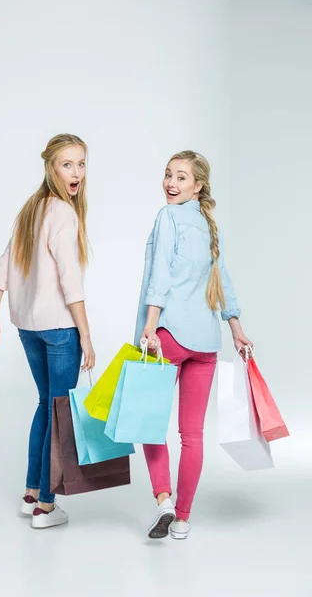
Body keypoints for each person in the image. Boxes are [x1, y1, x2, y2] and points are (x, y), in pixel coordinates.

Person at [0, 134, 95, 530]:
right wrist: (87, 334)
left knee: (47, 405)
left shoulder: (32, 209)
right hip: (60, 329)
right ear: (51, 167)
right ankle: (47, 505)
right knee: (60, 414)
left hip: (27, 328)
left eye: (81, 163)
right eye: (67, 164)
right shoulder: (62, 212)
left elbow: (3, 266)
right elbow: (69, 280)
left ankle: (31, 492)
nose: (76, 172)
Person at [134, 150, 253, 540]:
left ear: (198, 185)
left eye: (181, 177)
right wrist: (235, 328)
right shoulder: (206, 224)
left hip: (168, 336)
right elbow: (225, 282)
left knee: (150, 422)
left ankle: (164, 500)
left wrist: (150, 328)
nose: (171, 183)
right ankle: (183, 518)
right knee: (193, 434)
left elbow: (160, 278)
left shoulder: (168, 217)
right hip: (205, 342)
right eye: (168, 175)